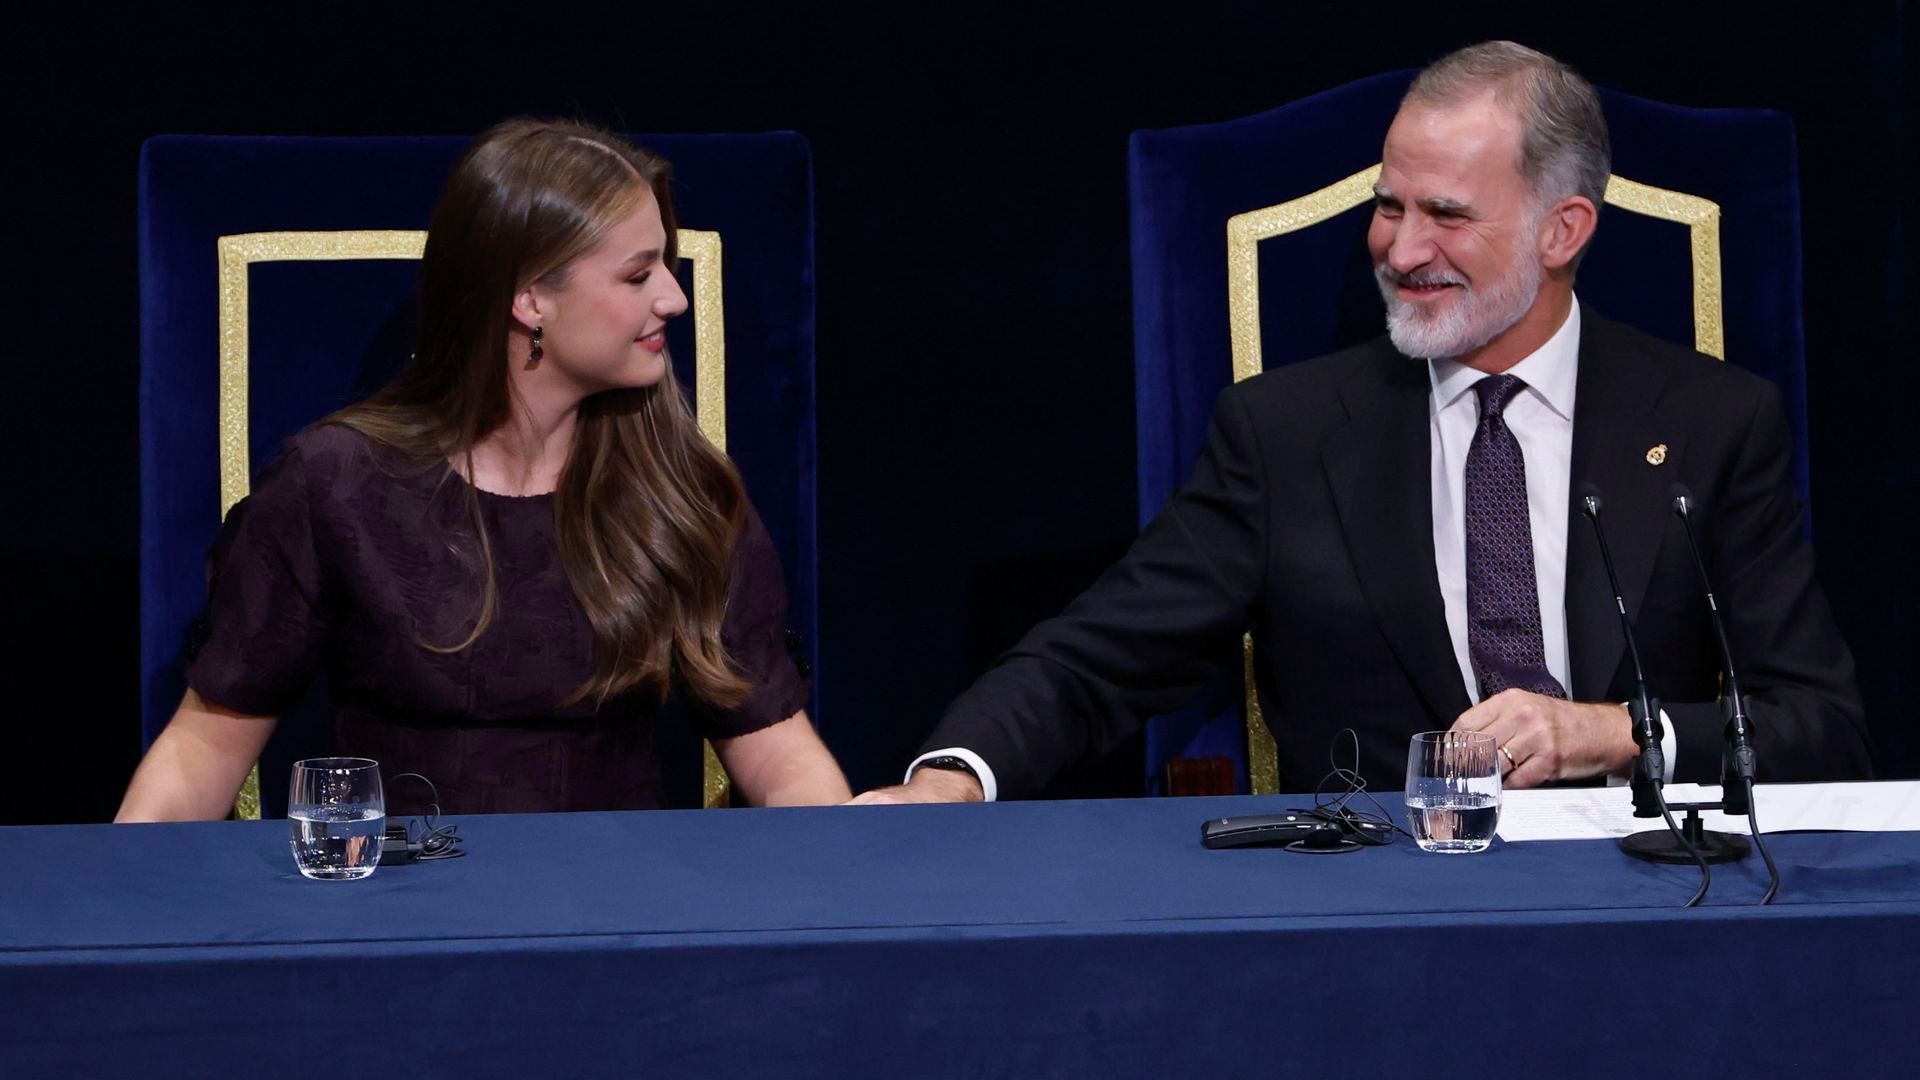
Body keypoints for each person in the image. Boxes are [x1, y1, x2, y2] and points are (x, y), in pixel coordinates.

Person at [853, 41, 1872, 805]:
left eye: (1447, 214)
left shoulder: (1711, 422)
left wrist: (1615, 733)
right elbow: (1097, 656)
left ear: (1563, 231)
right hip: (1381, 914)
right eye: (1390, 207)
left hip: (1656, 906)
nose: (1399, 247)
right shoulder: (1287, 434)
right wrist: (953, 775)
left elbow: (1818, 727)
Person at [120, 119, 850, 819]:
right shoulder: (333, 484)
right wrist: (126, 901)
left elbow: (777, 748)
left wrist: (846, 894)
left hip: (617, 913)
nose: (674, 296)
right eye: (637, 275)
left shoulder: (683, 492)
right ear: (530, 298)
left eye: (665, 263)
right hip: (395, 913)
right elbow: (205, 745)